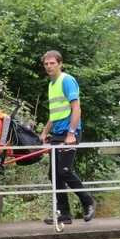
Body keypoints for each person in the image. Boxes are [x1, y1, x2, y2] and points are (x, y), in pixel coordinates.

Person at [40, 50, 95, 225]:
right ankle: (64, 213)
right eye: (46, 64)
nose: (49, 66)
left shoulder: (67, 80)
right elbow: (55, 114)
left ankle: (88, 202)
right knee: (54, 174)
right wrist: (44, 132)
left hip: (70, 133)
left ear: (60, 63)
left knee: (64, 170)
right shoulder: (51, 84)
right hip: (57, 134)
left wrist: (71, 133)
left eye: (52, 63)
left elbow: (76, 109)